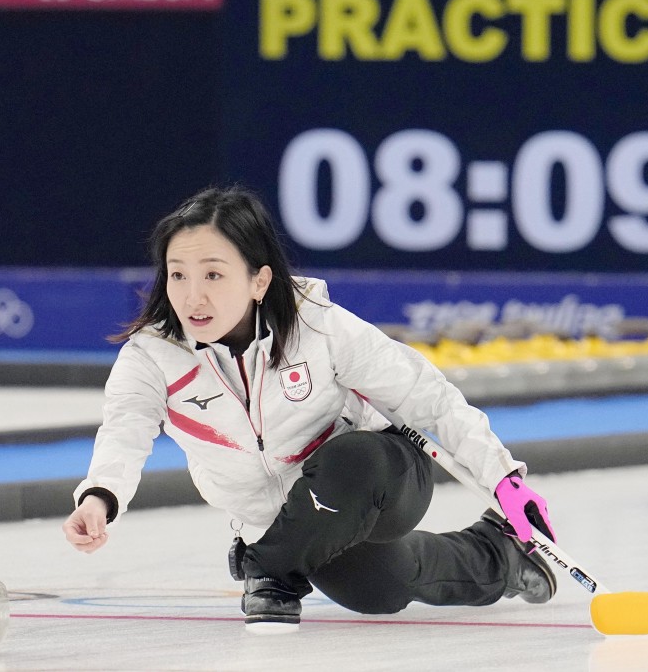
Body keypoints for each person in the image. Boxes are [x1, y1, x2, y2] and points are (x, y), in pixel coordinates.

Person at [63, 184, 557, 634]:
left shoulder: (318, 327)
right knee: (379, 590)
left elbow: (429, 397)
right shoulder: (151, 357)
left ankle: (269, 571)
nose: (193, 296)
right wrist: (99, 497)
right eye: (178, 275)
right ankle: (498, 554)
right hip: (291, 519)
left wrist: (504, 478)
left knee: (352, 461)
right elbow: (125, 429)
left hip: (381, 479)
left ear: (259, 281)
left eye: (213, 273)